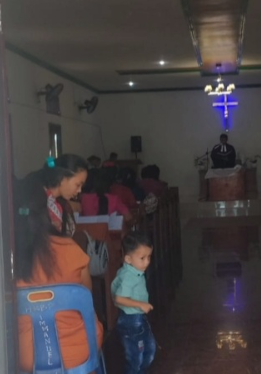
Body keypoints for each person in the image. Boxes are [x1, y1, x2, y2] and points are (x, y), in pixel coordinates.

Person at [14, 154, 103, 371]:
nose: (79, 191)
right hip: (77, 353)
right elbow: (85, 298)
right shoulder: (71, 251)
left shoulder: (13, 260)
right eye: (78, 184)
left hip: (28, 356)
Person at [112, 232, 157, 374]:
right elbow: (119, 298)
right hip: (130, 321)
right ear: (128, 259)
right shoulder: (129, 276)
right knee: (135, 358)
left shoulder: (134, 270)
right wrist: (140, 304)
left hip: (138, 318)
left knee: (149, 350)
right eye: (142, 258)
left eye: (149, 257)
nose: (147, 262)